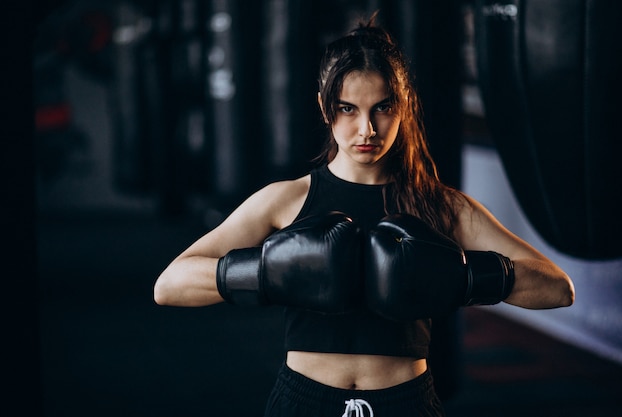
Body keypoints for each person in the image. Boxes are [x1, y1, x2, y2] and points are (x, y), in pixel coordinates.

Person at [154, 14, 575, 417]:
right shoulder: (284, 200)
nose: (367, 130)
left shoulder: (441, 205)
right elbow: (169, 285)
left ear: (404, 105)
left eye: (382, 107)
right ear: (324, 108)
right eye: (347, 109)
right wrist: (265, 272)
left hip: (405, 403)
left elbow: (558, 288)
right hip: (305, 400)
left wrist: (464, 277)